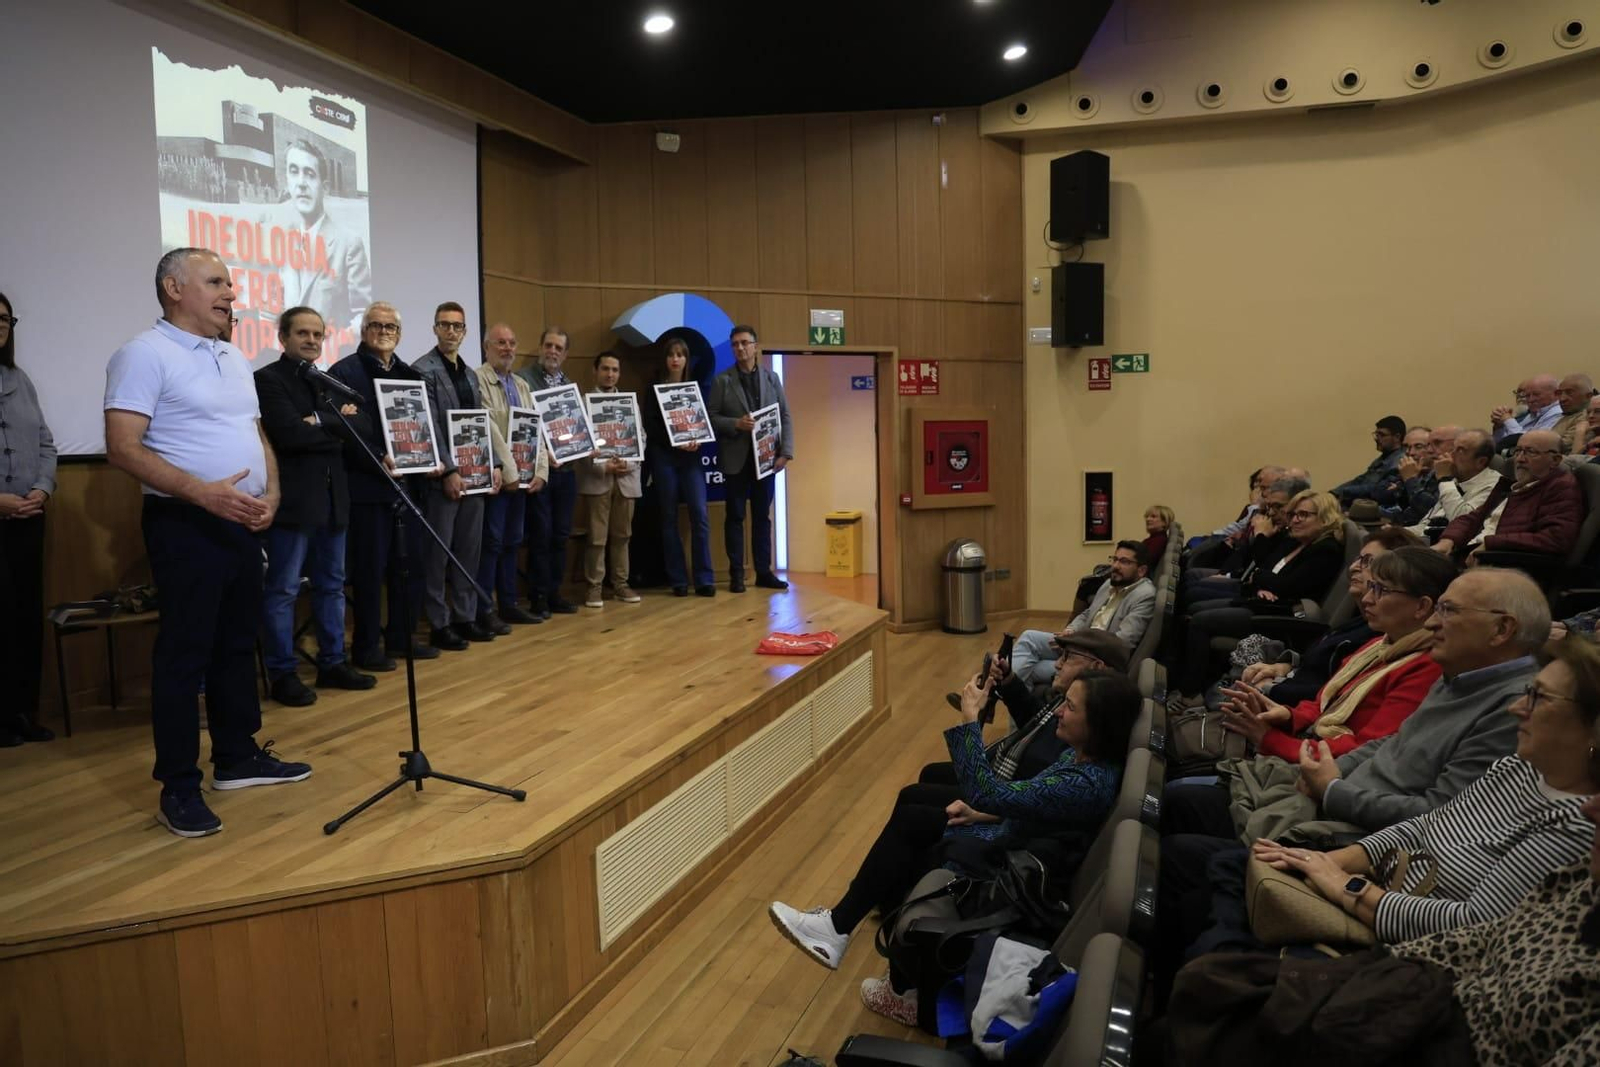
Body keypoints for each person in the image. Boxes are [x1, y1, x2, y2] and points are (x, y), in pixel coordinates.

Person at [766, 669, 1138, 1017]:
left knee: (917, 828)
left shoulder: (1084, 784)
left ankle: (887, 973)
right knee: (916, 813)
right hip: (1012, 840)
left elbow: (986, 790)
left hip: (1009, 869)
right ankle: (845, 929)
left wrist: (971, 717)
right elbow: (1028, 800)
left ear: (1098, 725)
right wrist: (983, 814)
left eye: (1070, 707)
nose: (1059, 712)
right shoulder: (1080, 758)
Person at [1153, 787, 1600, 1066]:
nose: (1520, 706)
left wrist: (1346, 888)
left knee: (1215, 991)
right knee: (1220, 942)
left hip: (1414, 966)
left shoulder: (1574, 828)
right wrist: (1326, 868)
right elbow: (1426, 829)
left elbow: (1471, 920)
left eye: (1540, 697)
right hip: (1413, 975)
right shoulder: (1580, 873)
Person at [104, 248, 311, 838]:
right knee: (184, 655)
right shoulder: (143, 354)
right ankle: (178, 786)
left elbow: (251, 429)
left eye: (231, 283)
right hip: (185, 522)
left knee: (235, 644)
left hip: (241, 519)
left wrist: (269, 492)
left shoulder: (230, 354)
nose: (231, 292)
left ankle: (237, 757)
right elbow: (122, 446)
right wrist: (204, 495)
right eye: (216, 282)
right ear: (174, 288)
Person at [1211, 547, 1454, 763]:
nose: (1367, 599)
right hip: (1309, 743)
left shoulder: (1427, 667)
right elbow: (1324, 703)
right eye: (1371, 587)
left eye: (1381, 590)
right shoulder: (1379, 643)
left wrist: (1269, 739)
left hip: (1328, 767)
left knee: (1189, 795)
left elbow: (1365, 751)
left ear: (1422, 606)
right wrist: (1288, 716)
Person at [253, 306, 375, 705]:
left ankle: (332, 662)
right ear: (283, 338)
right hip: (294, 503)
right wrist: (335, 425)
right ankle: (282, 672)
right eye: (301, 333)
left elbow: (363, 428)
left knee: (332, 585)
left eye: (317, 335)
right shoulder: (266, 380)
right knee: (284, 589)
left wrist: (318, 422)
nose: (310, 341)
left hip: (334, 500)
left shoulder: (328, 382)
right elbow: (287, 434)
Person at [327, 302, 437, 669]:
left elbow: (423, 427)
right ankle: (366, 646)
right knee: (370, 572)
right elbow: (342, 431)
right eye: (376, 325)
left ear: (400, 334)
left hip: (410, 488)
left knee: (411, 567)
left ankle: (403, 639)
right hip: (367, 489)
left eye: (391, 327)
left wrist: (430, 457)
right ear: (363, 331)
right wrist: (378, 457)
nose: (384, 331)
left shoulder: (411, 375)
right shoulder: (342, 373)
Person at [1171, 490, 1348, 699]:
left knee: (1200, 621)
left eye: (1304, 515)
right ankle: (1183, 681)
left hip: (1281, 616)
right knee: (1194, 609)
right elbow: (1269, 571)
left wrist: (1263, 580)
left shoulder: (1326, 549)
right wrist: (1266, 582)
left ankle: (1188, 694)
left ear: (1325, 517)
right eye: (1293, 515)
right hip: (1263, 601)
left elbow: (1287, 586)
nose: (1295, 520)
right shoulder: (1301, 543)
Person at [412, 302, 502, 650]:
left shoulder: (470, 374)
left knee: (469, 550)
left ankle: (465, 617)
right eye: (445, 325)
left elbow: (482, 423)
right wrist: (448, 469)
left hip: (476, 475)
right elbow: (430, 426)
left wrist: (493, 463)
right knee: (438, 553)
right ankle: (439, 622)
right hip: (442, 479)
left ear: (465, 332)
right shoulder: (423, 370)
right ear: (435, 329)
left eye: (458, 326)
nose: (451, 332)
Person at [0, 291, 57, 746]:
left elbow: (45, 443)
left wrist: (42, 488)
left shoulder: (20, 379)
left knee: (23, 616)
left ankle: (21, 712)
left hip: (28, 517)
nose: (1, 324)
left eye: (6, 318)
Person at [708, 324, 793, 592]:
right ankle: (736, 574)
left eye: (745, 343)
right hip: (736, 459)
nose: (740, 348)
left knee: (762, 517)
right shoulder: (722, 380)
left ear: (756, 346)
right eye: (735, 344)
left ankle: (763, 572)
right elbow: (710, 418)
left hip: (766, 459)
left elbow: (785, 416)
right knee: (734, 516)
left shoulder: (772, 378)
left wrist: (786, 452)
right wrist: (735, 423)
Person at [472, 323, 545, 627]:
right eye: (500, 342)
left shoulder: (522, 385)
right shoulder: (477, 379)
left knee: (513, 541)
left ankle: (509, 603)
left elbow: (535, 428)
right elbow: (489, 429)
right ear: (487, 347)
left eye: (512, 343)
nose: (507, 348)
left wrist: (541, 470)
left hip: (523, 481)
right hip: (499, 478)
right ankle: (485, 608)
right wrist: (511, 471)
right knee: (492, 542)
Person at [261, 139, 371, 341]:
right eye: (294, 171)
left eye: (310, 174)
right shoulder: (279, 241)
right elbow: (268, 310)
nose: (301, 183)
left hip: (329, 363)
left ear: (325, 187)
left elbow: (362, 315)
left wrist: (333, 344)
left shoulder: (349, 243)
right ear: (287, 180)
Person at [1008, 541, 1154, 691]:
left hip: (1097, 660)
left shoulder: (1144, 595)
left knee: (1026, 668)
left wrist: (1076, 643)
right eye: (1115, 559)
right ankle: (1009, 692)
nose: (1115, 566)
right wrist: (1071, 631)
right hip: (1081, 645)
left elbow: (1122, 642)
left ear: (1141, 570)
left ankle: (1003, 691)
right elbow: (1086, 615)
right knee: (1028, 638)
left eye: (1124, 562)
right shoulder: (1109, 584)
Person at [1435, 429, 1582, 564]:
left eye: (1531, 452)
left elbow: (1555, 539)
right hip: (1472, 555)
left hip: (1505, 566)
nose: (1520, 459)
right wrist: (1449, 539)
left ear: (1555, 460)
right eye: (1518, 451)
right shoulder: (1510, 486)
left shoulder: (1561, 487)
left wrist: (1492, 543)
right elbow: (1473, 517)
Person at [643, 337, 715, 597]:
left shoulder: (695, 389)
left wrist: (695, 440)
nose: (675, 359)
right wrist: (676, 442)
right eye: (671, 354)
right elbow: (650, 427)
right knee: (669, 518)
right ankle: (678, 580)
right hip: (664, 457)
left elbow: (703, 421)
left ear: (686, 360)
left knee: (700, 514)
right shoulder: (653, 388)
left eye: (680, 355)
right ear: (665, 360)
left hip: (691, 458)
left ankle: (704, 578)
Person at [519, 327, 580, 617]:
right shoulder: (524, 380)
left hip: (567, 470)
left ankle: (555, 592)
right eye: (548, 345)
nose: (552, 351)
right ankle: (539, 596)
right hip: (540, 471)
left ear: (566, 354)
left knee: (561, 535)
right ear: (540, 347)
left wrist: (582, 445)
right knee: (540, 536)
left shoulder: (569, 386)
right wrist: (545, 455)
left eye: (558, 347)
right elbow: (523, 426)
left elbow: (573, 427)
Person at [578, 351, 643, 608]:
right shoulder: (583, 403)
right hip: (598, 477)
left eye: (614, 370)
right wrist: (602, 466)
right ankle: (594, 587)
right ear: (595, 371)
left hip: (626, 478)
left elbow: (641, 437)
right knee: (596, 537)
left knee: (623, 535)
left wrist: (630, 461)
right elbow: (577, 443)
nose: (610, 374)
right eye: (605, 369)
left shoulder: (630, 403)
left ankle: (621, 584)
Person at [1402, 428, 1503, 541]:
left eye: (1460, 450)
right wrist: (1397, 533)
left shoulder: (1495, 485)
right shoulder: (1454, 482)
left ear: (1481, 462)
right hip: (1430, 541)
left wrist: (1445, 480)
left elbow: (1461, 522)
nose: (1451, 454)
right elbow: (1426, 525)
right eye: (1453, 448)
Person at [1334, 416, 1406, 507]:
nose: (1376, 438)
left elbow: (1377, 490)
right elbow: (1361, 479)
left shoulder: (1400, 462)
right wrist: (1334, 493)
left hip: (1377, 511)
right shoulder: (1383, 458)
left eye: (1382, 435)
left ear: (1397, 437)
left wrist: (1345, 492)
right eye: (1376, 434)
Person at [1492, 374, 1561, 446]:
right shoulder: (1532, 414)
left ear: (1556, 394)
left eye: (1536, 394)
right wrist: (1499, 427)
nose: (1531, 400)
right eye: (1527, 396)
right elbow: (1501, 443)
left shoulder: (1558, 413)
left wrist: (1508, 420)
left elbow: (1528, 442)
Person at [1553, 373, 1595, 453]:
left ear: (1588, 396)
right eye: (1560, 393)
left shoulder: (1587, 418)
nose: (1562, 399)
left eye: (1570, 393)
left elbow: (1558, 447)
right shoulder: (1569, 414)